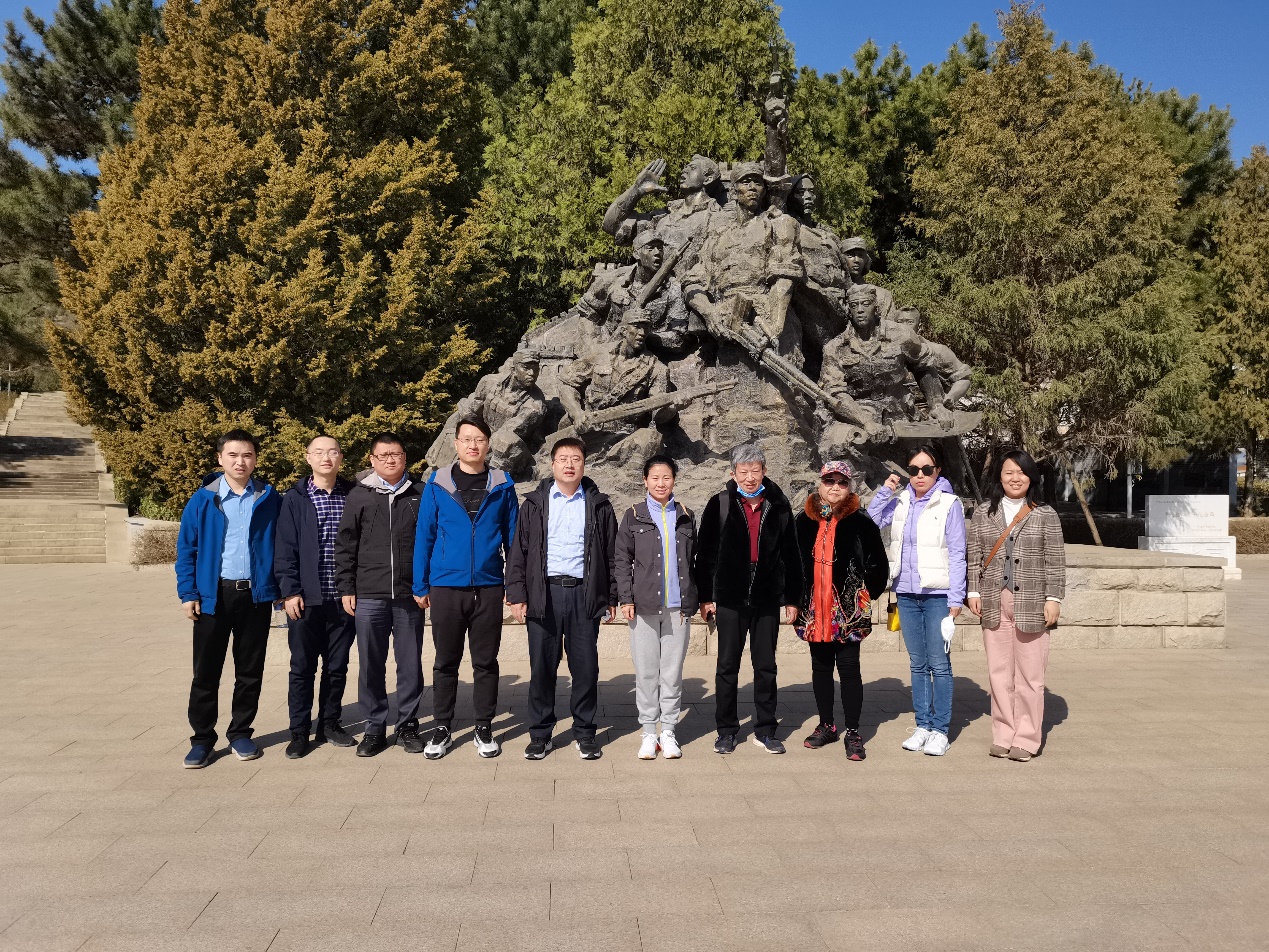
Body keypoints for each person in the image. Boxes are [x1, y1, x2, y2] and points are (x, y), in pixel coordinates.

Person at [412, 416, 519, 760]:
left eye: (479, 439)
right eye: (466, 439)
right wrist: (420, 583)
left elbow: (513, 538)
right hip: (446, 586)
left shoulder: (502, 484)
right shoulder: (437, 484)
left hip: (488, 585)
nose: (473, 445)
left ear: (488, 444)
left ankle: (483, 726)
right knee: (446, 661)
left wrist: (514, 584)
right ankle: (442, 726)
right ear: (456, 443)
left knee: (486, 662)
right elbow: (425, 536)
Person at [506, 437, 619, 761]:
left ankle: (585, 733)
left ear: (584, 464)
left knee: (585, 669)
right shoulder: (534, 504)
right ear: (553, 464)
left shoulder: (599, 505)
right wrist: (517, 594)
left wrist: (611, 596)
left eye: (576, 459)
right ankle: (540, 735)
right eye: (563, 459)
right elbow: (519, 552)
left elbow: (611, 554)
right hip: (544, 594)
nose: (570, 464)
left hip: (585, 594)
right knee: (542, 668)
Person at [175, 429, 281, 768]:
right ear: (220, 458)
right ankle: (202, 739)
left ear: (255, 459)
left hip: (255, 596)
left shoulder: (268, 498)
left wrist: (280, 590)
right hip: (213, 596)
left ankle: (240, 733)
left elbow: (281, 546)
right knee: (206, 672)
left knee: (250, 671)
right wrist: (188, 593)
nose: (240, 462)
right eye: (233, 455)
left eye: (247, 455)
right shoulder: (203, 499)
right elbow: (186, 549)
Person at [694, 443, 803, 754]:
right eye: (744, 472)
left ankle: (766, 729)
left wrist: (793, 598)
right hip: (730, 596)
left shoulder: (778, 505)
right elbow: (706, 554)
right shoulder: (720, 503)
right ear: (733, 474)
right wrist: (706, 596)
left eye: (755, 471)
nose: (750, 477)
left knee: (766, 666)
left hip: (767, 596)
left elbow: (792, 555)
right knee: (727, 666)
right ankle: (726, 730)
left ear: (764, 471)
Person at [867, 443, 967, 757]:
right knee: (918, 664)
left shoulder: (949, 503)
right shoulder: (901, 501)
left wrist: (956, 597)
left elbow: (958, 553)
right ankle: (922, 725)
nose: (920, 475)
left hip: (938, 595)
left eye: (927, 469)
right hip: (906, 593)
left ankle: (940, 730)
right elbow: (872, 520)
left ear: (938, 470)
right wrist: (886, 490)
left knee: (939, 664)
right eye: (913, 469)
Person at [966, 450, 1066, 762]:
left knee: (1030, 675)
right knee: (999, 673)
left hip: (1032, 601)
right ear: (999, 476)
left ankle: (1026, 737)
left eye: (1021, 472)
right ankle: (1003, 733)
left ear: (1031, 477)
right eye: (1009, 472)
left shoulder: (1045, 513)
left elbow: (1055, 560)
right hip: (993, 600)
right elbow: (974, 555)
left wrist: (1053, 598)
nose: (1015, 478)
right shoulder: (984, 512)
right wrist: (973, 591)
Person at [334, 433, 425, 758]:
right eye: (383, 455)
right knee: (371, 664)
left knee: (410, 664)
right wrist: (346, 587)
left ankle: (407, 726)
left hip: (409, 595)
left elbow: (429, 541)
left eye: (396, 454)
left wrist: (424, 585)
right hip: (369, 594)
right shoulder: (359, 495)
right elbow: (345, 544)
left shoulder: (419, 493)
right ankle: (374, 727)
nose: (390, 459)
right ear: (372, 460)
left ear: (405, 457)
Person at [794, 461, 889, 761]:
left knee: (849, 668)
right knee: (820, 667)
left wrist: (866, 593)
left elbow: (878, 563)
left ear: (849, 487)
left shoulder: (861, 522)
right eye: (829, 481)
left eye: (841, 482)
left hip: (847, 609)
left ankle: (853, 731)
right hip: (813, 608)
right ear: (820, 484)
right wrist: (793, 598)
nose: (835, 487)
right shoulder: (803, 520)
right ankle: (826, 725)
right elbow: (791, 561)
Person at [273, 435, 357, 759]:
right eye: (319, 452)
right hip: (305, 600)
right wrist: (290, 591)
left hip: (343, 599)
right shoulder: (294, 498)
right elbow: (285, 548)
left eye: (332, 451)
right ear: (308, 457)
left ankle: (330, 724)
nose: (326, 458)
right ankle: (299, 732)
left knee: (337, 667)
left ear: (340, 457)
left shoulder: (353, 495)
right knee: (302, 667)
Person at [614, 455, 699, 760]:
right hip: (643, 606)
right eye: (655, 478)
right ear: (645, 481)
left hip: (678, 608)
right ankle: (649, 732)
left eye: (667, 477)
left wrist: (697, 600)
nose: (661, 483)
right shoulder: (633, 515)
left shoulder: (686, 515)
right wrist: (626, 598)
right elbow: (621, 560)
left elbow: (694, 560)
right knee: (647, 673)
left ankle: (669, 731)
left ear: (674, 480)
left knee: (672, 674)